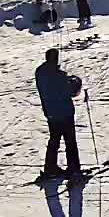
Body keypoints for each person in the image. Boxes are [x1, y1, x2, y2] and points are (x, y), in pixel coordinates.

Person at [34, 48, 85, 180]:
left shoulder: (40, 73)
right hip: (64, 112)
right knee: (70, 141)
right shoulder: (59, 76)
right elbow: (70, 91)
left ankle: (50, 167)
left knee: (54, 140)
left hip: (51, 113)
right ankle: (73, 168)